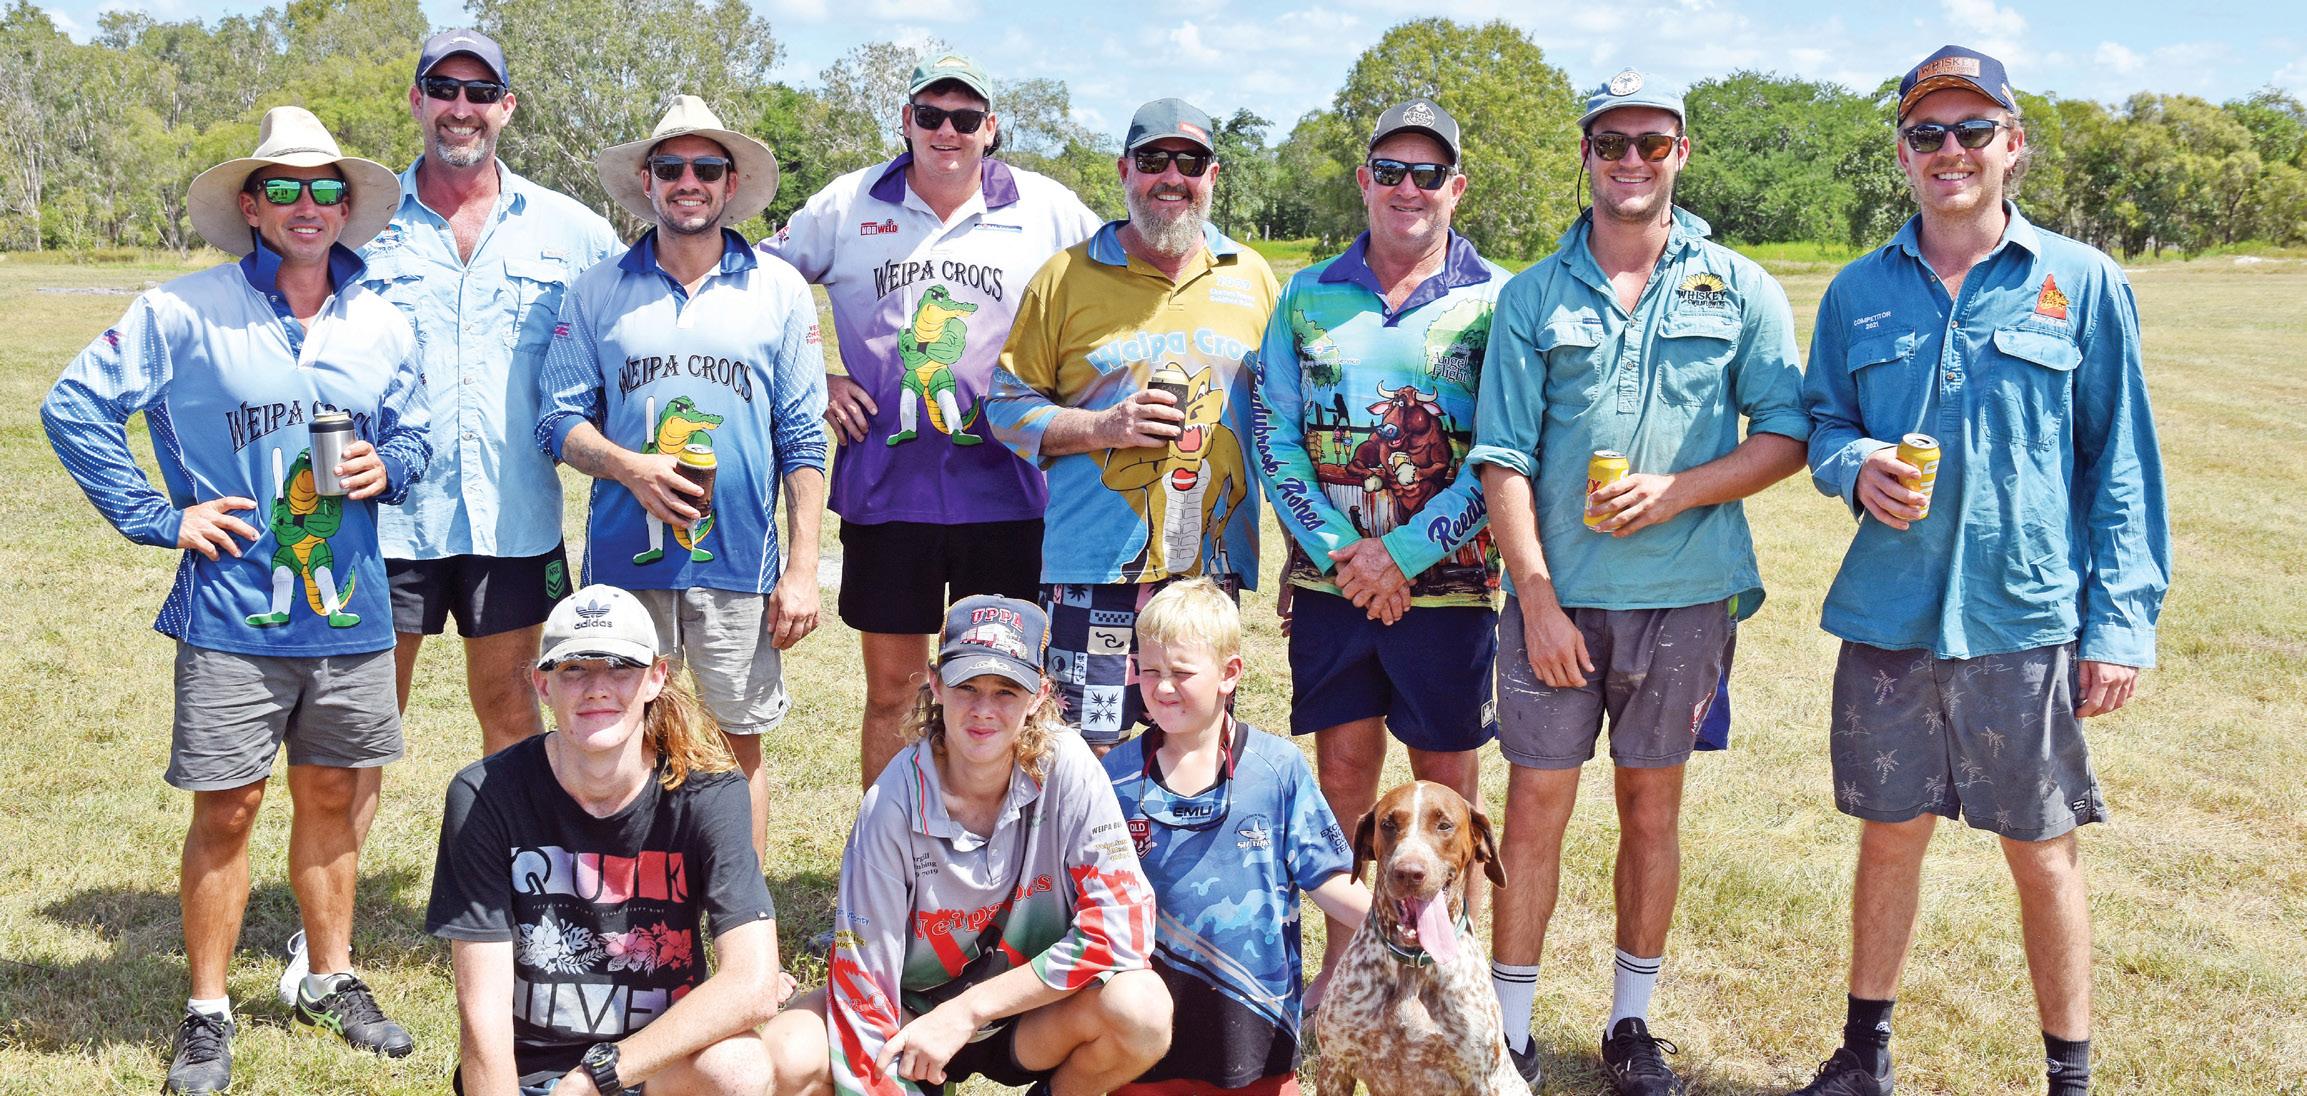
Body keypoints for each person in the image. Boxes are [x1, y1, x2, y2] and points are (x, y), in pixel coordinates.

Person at [1784, 46, 2169, 1096]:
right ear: (1902, 153)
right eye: (1926, 133)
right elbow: (1823, 424)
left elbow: (2120, 464)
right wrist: (1855, 465)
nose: (1947, 150)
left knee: (2042, 849)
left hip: (2022, 612)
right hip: (1890, 612)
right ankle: (1862, 1058)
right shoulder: (1858, 289)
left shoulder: (2080, 282)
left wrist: (2118, 624)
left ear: (2012, 145)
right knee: (1888, 836)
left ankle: (2068, 1077)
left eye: (1971, 130)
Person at [42, 106, 429, 1094]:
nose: (308, 204)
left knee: (334, 796)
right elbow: (74, 406)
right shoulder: (183, 311)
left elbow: (418, 433)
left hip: (351, 610)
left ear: (346, 206)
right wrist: (156, 515)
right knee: (229, 808)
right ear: (251, 206)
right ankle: (209, 1010)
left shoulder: (385, 318)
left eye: (326, 188)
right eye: (284, 188)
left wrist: (395, 463)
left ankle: (329, 979)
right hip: (230, 612)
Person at [1466, 70, 1811, 1093]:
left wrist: (1676, 493)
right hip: (1558, 603)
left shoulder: (1740, 286)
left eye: (1651, 144)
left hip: (1687, 593)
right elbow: (1502, 458)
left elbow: (1786, 432)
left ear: (1680, 154)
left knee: (1651, 808)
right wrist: (1535, 600)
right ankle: (1509, 1033)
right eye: (1611, 143)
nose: (1630, 162)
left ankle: (1630, 1025)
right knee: (1534, 809)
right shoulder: (1533, 296)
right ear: (1585, 153)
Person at [763, 53, 1101, 788]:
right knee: (895, 692)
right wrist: (817, 377)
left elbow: (1114, 278)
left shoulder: (1047, 207)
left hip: (1011, 492)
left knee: (1006, 689)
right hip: (889, 490)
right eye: (931, 115)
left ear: (991, 127)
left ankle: (1002, 843)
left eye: (965, 118)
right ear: (906, 121)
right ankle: (894, 845)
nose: (947, 131)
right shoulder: (847, 203)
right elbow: (760, 283)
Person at [1247, 96, 1504, 996]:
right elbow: (1274, 432)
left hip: (1452, 587)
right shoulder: (1305, 294)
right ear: (1364, 181)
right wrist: (1342, 553)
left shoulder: (1498, 298)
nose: (1408, 188)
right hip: (1335, 588)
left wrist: (1403, 554)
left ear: (1456, 188)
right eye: (1390, 171)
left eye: (1428, 173)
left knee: (1449, 794)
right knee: (1343, 779)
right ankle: (1346, 966)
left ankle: (1451, 971)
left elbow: (1504, 449)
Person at [539, 95, 830, 862]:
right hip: (625, 566)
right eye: (670, 167)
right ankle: (633, 903)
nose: (688, 181)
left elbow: (803, 437)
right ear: (647, 182)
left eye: (706, 167)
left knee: (737, 747)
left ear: (731, 183)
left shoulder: (777, 289)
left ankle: (739, 912)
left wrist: (802, 570)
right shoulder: (597, 289)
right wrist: (626, 466)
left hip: (739, 564)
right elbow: (558, 421)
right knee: (624, 739)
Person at [760, 595, 1170, 1096]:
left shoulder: (1068, 766)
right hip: (909, 1020)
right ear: (935, 684)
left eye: (1006, 691)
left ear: (1039, 694)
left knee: (1141, 1008)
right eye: (967, 686)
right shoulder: (890, 804)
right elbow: (864, 989)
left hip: (1032, 1012)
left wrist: (968, 1011)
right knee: (786, 1052)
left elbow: (1123, 928)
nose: (983, 710)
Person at [984, 97, 1279, 749]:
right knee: (1083, 757)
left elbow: (1280, 428)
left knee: (1197, 754)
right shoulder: (1066, 276)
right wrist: (1102, 428)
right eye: (1153, 160)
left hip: (1209, 571)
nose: (1171, 177)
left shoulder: (1253, 278)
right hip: (1093, 569)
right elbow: (1003, 405)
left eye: (1190, 162)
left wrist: (1298, 555)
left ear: (1212, 176)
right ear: (1124, 171)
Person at [364, 28, 620, 753]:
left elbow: (641, 328)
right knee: (366, 719)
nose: (460, 107)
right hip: (386, 517)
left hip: (514, 516)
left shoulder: (574, 231)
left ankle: (513, 836)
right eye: (442, 89)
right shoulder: (361, 224)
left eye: (479, 92)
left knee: (512, 705)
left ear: (505, 106)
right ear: (416, 100)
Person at [428, 584, 790, 1095]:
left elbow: (754, 984)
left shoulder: (710, 793)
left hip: (656, 1063)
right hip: (529, 1078)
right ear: (542, 684)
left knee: (740, 1066)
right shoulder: (485, 794)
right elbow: (481, 1014)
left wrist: (596, 1078)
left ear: (656, 678)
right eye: (574, 668)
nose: (597, 688)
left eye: (620, 667)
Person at [1101, 578, 1370, 1096]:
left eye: (1182, 672)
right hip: (1144, 1042)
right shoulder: (1115, 776)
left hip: (1255, 1034)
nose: (1162, 688)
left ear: (1230, 674)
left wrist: (1402, 927)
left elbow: (1327, 875)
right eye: (1150, 671)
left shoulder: (1278, 769)